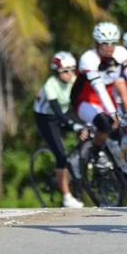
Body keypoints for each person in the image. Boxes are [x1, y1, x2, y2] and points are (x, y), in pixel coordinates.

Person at [71, 22, 127, 198]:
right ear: (97, 44)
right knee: (106, 124)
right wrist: (113, 113)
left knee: (126, 132)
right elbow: (98, 88)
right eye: (105, 44)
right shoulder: (88, 59)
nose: (109, 47)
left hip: (108, 99)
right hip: (85, 101)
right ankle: (95, 154)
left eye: (113, 43)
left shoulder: (120, 53)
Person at [34, 52, 88, 208]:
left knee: (90, 126)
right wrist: (75, 126)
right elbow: (57, 112)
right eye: (66, 71)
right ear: (57, 72)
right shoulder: (51, 85)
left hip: (65, 112)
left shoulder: (74, 80)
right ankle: (66, 197)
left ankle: (81, 159)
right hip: (47, 118)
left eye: (73, 70)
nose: (70, 74)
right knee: (62, 155)